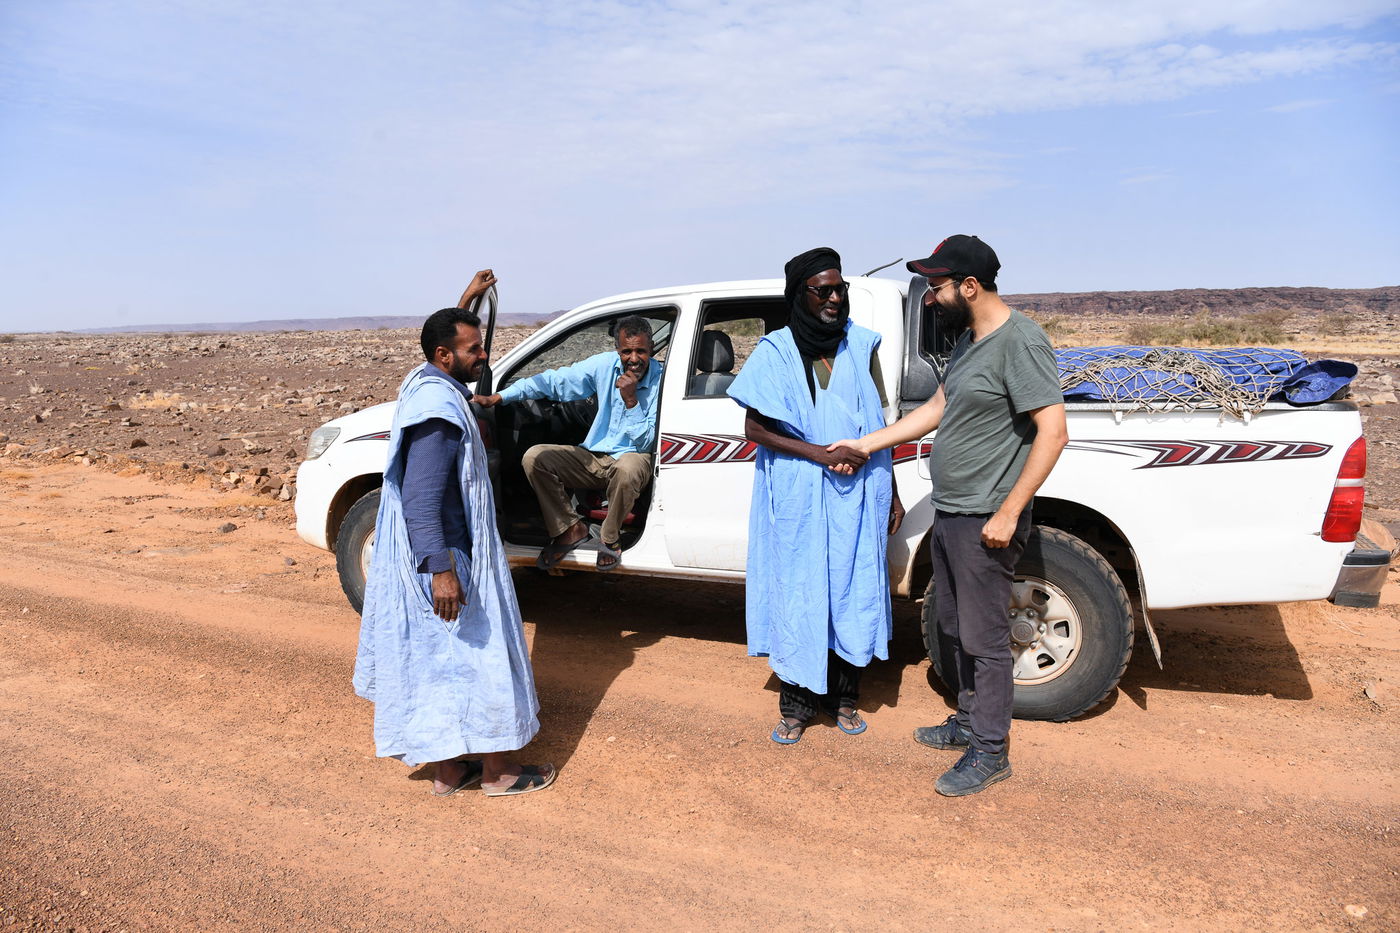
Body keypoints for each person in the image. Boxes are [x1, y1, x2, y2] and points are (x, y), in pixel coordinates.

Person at [829, 236, 1067, 795]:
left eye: (936, 287)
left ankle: (991, 752)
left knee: (985, 640)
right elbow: (938, 408)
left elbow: (1053, 433)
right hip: (953, 512)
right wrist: (865, 445)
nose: (930, 299)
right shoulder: (970, 342)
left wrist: (1009, 512)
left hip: (987, 517)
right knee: (954, 627)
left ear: (969, 286)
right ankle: (967, 722)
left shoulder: (1020, 342)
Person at [353, 269, 556, 798]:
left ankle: (448, 770)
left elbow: (443, 339)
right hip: (447, 554)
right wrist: (443, 570)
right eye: (473, 349)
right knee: (477, 659)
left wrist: (466, 304)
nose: (483, 356)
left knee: (439, 662)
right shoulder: (439, 412)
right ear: (446, 356)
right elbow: (422, 498)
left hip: (435, 553)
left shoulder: (425, 381)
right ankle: (498, 772)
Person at [726, 247, 904, 745]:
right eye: (822, 290)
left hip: (859, 491)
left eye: (839, 288)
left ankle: (846, 698)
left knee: (850, 590)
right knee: (801, 592)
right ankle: (798, 705)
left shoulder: (861, 347)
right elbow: (755, 428)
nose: (833, 298)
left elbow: (880, 426)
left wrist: (893, 493)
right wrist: (819, 455)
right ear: (799, 295)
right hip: (800, 494)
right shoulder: (776, 351)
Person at [475, 316, 662, 572]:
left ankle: (609, 537)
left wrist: (630, 400)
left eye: (640, 351)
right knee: (536, 457)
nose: (633, 358)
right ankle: (570, 528)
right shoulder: (604, 366)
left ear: (650, 348)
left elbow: (646, 442)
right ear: (617, 349)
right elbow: (555, 381)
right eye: (626, 351)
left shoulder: (661, 380)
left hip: (634, 456)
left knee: (627, 469)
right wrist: (501, 396)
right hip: (597, 456)